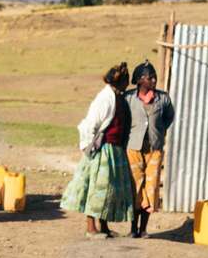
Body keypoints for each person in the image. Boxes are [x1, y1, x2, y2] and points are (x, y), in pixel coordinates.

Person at [61, 63, 134, 239]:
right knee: (97, 189)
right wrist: (88, 146)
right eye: (126, 81)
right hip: (103, 150)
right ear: (119, 82)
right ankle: (90, 228)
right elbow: (90, 123)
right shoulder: (105, 99)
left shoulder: (118, 98)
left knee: (109, 191)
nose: (128, 84)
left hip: (116, 151)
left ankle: (104, 226)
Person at [125, 60, 175, 238]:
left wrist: (158, 132)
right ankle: (132, 228)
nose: (154, 80)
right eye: (149, 77)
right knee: (135, 186)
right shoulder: (129, 98)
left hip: (155, 149)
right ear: (139, 80)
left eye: (154, 77)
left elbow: (169, 117)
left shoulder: (163, 98)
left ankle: (144, 228)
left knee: (151, 187)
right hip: (133, 148)